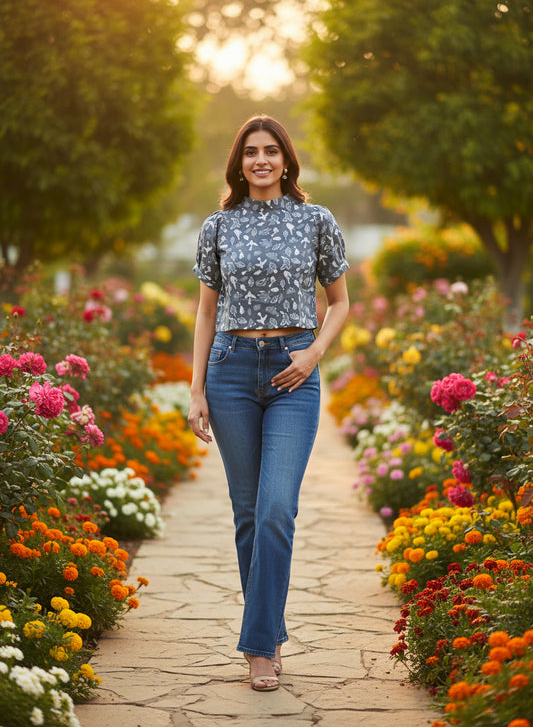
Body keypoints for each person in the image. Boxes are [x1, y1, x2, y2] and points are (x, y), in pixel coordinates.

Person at [188, 115, 349, 692]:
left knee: (278, 508)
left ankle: (258, 644)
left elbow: (340, 303)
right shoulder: (218, 226)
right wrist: (197, 388)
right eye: (251, 152)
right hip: (230, 370)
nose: (261, 160)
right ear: (239, 162)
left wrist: (312, 356)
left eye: (271, 151)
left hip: (293, 373)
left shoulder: (316, 221)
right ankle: (268, 638)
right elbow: (206, 310)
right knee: (250, 514)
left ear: (286, 160)